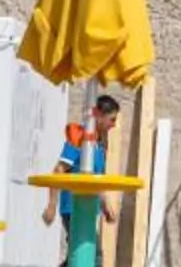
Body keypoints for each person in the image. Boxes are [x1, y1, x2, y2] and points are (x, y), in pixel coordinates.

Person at [41, 93, 122, 267]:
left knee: (80, 255)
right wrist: (52, 205)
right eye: (112, 119)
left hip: (89, 207)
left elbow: (95, 178)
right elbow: (59, 170)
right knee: (93, 256)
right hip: (73, 207)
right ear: (99, 116)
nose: (114, 125)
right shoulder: (79, 138)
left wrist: (105, 204)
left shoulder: (99, 144)